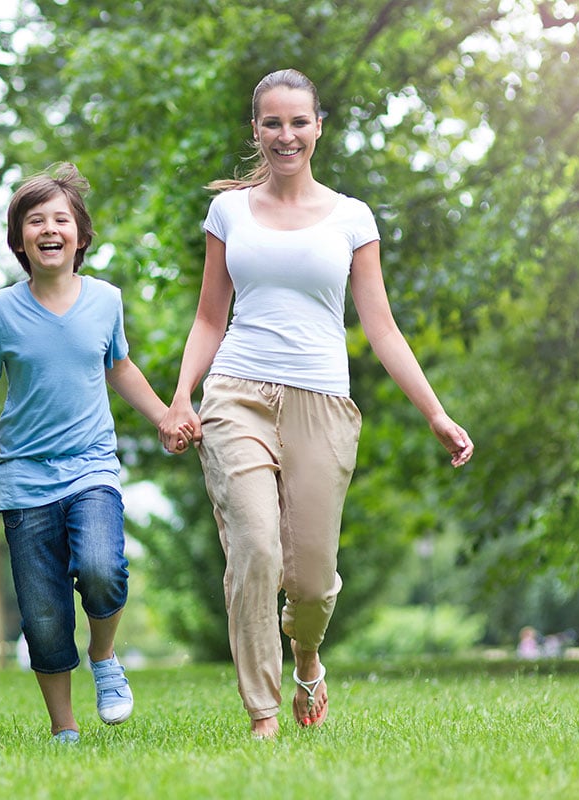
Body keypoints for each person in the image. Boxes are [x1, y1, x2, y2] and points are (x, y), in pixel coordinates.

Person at [158, 68, 474, 739]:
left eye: (298, 122)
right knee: (254, 550)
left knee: (310, 580)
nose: (285, 135)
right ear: (255, 129)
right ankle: (263, 716)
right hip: (236, 393)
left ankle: (307, 658)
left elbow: (381, 326)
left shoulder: (353, 217)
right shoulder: (229, 213)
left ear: (318, 127)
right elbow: (210, 318)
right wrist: (182, 395)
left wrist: (436, 412)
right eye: (272, 122)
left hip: (322, 401)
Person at [0, 163, 179, 744]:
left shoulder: (106, 300)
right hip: (25, 478)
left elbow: (119, 366)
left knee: (103, 570)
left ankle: (105, 656)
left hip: (92, 466)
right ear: (19, 241)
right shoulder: (1, 311)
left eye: (60, 219)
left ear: (80, 235)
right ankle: (65, 729)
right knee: (42, 614)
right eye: (35, 221)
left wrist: (164, 416)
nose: (49, 229)